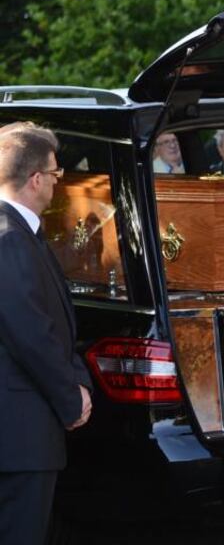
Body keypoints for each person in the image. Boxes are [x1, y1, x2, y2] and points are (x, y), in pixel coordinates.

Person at [0, 122, 93, 544]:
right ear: (35, 179)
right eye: (55, 175)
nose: (58, 184)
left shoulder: (21, 233)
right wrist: (71, 398)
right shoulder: (9, 240)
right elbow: (30, 333)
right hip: (19, 435)